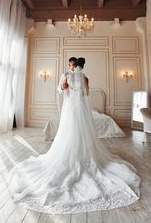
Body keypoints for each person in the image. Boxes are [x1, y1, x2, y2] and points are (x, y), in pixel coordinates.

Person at [7, 57, 140, 214]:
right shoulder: (65, 75)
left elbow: (86, 94)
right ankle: (69, 154)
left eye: (74, 65)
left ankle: (84, 155)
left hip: (81, 109)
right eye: (70, 64)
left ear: (77, 66)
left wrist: (86, 85)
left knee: (82, 133)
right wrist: (63, 87)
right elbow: (58, 89)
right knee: (68, 132)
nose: (72, 67)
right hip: (69, 108)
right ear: (69, 65)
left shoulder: (83, 77)